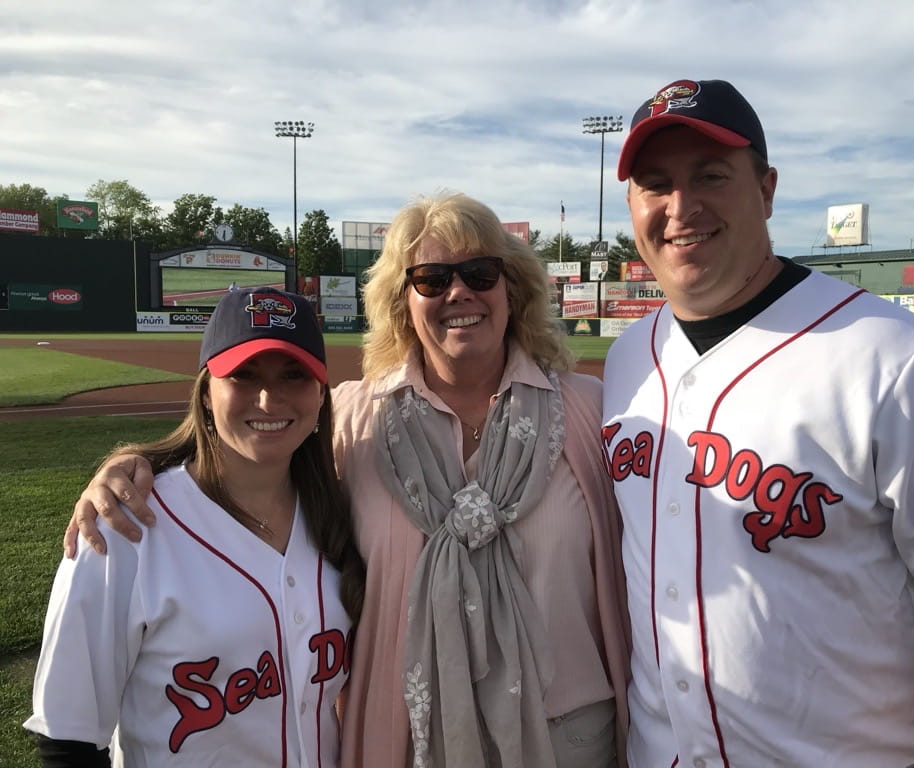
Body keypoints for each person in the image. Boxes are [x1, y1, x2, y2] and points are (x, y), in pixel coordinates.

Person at [64, 193, 631, 768]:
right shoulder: (352, 419)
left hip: (570, 736)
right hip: (410, 735)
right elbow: (248, 446)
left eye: (480, 273)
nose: (458, 292)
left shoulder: (589, 411)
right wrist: (134, 463)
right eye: (431, 279)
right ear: (401, 302)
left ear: (514, 288)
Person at [605, 77, 914, 767]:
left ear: (766, 190)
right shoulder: (626, 363)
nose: (681, 207)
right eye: (656, 184)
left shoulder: (891, 354)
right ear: (632, 206)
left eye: (711, 175)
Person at [26, 287, 365, 765]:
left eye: (294, 374)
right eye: (244, 375)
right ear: (207, 392)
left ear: (320, 393)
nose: (269, 398)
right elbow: (69, 741)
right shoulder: (125, 529)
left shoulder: (338, 513)